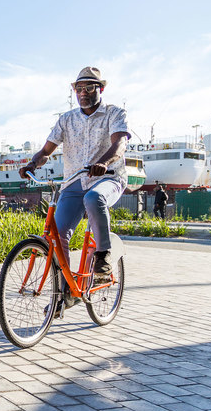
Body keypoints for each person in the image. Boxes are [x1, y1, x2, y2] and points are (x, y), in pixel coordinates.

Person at [19, 66, 130, 303]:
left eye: (89, 87)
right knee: (56, 236)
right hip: (74, 181)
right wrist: (32, 164)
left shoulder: (114, 113)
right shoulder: (66, 120)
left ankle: (103, 256)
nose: (83, 92)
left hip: (108, 177)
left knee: (94, 198)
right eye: (79, 88)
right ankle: (65, 292)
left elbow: (119, 143)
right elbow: (46, 151)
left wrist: (103, 162)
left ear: (100, 89)